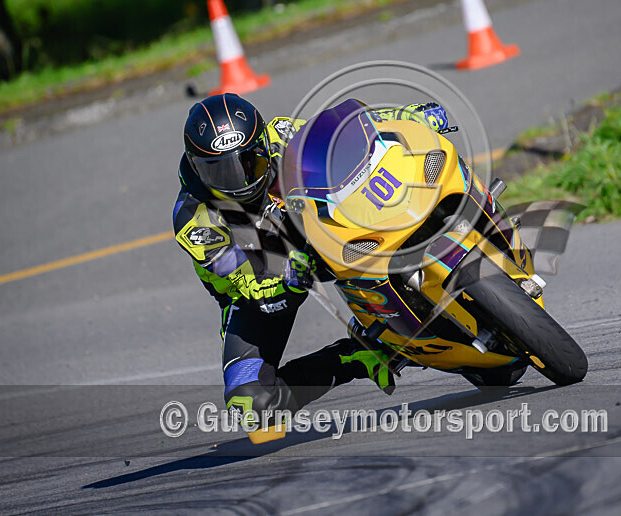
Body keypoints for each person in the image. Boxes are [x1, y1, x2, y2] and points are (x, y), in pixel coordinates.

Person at [172, 93, 449, 440]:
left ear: (261, 144)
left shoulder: (278, 135)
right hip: (262, 284)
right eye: (221, 171)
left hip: (318, 232)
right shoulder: (195, 219)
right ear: (196, 166)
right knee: (252, 406)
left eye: (249, 163)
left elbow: (349, 132)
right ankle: (357, 355)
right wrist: (286, 282)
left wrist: (408, 117)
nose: (240, 179)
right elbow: (247, 284)